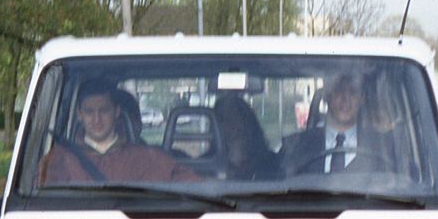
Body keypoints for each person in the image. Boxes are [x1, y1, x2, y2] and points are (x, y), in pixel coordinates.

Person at [38, 78, 198, 184]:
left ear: (116, 112)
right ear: (79, 114)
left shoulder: (148, 158)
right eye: (89, 112)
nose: (97, 119)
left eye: (104, 110)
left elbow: (196, 186)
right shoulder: (59, 159)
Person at [280, 72, 394, 177]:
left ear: (361, 98)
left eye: (353, 92)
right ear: (326, 96)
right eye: (339, 90)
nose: (345, 99)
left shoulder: (382, 148)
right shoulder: (295, 147)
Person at [213, 95, 281, 180]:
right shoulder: (206, 165)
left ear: (248, 123)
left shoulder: (272, 163)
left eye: (234, 117)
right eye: (222, 119)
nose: (229, 125)